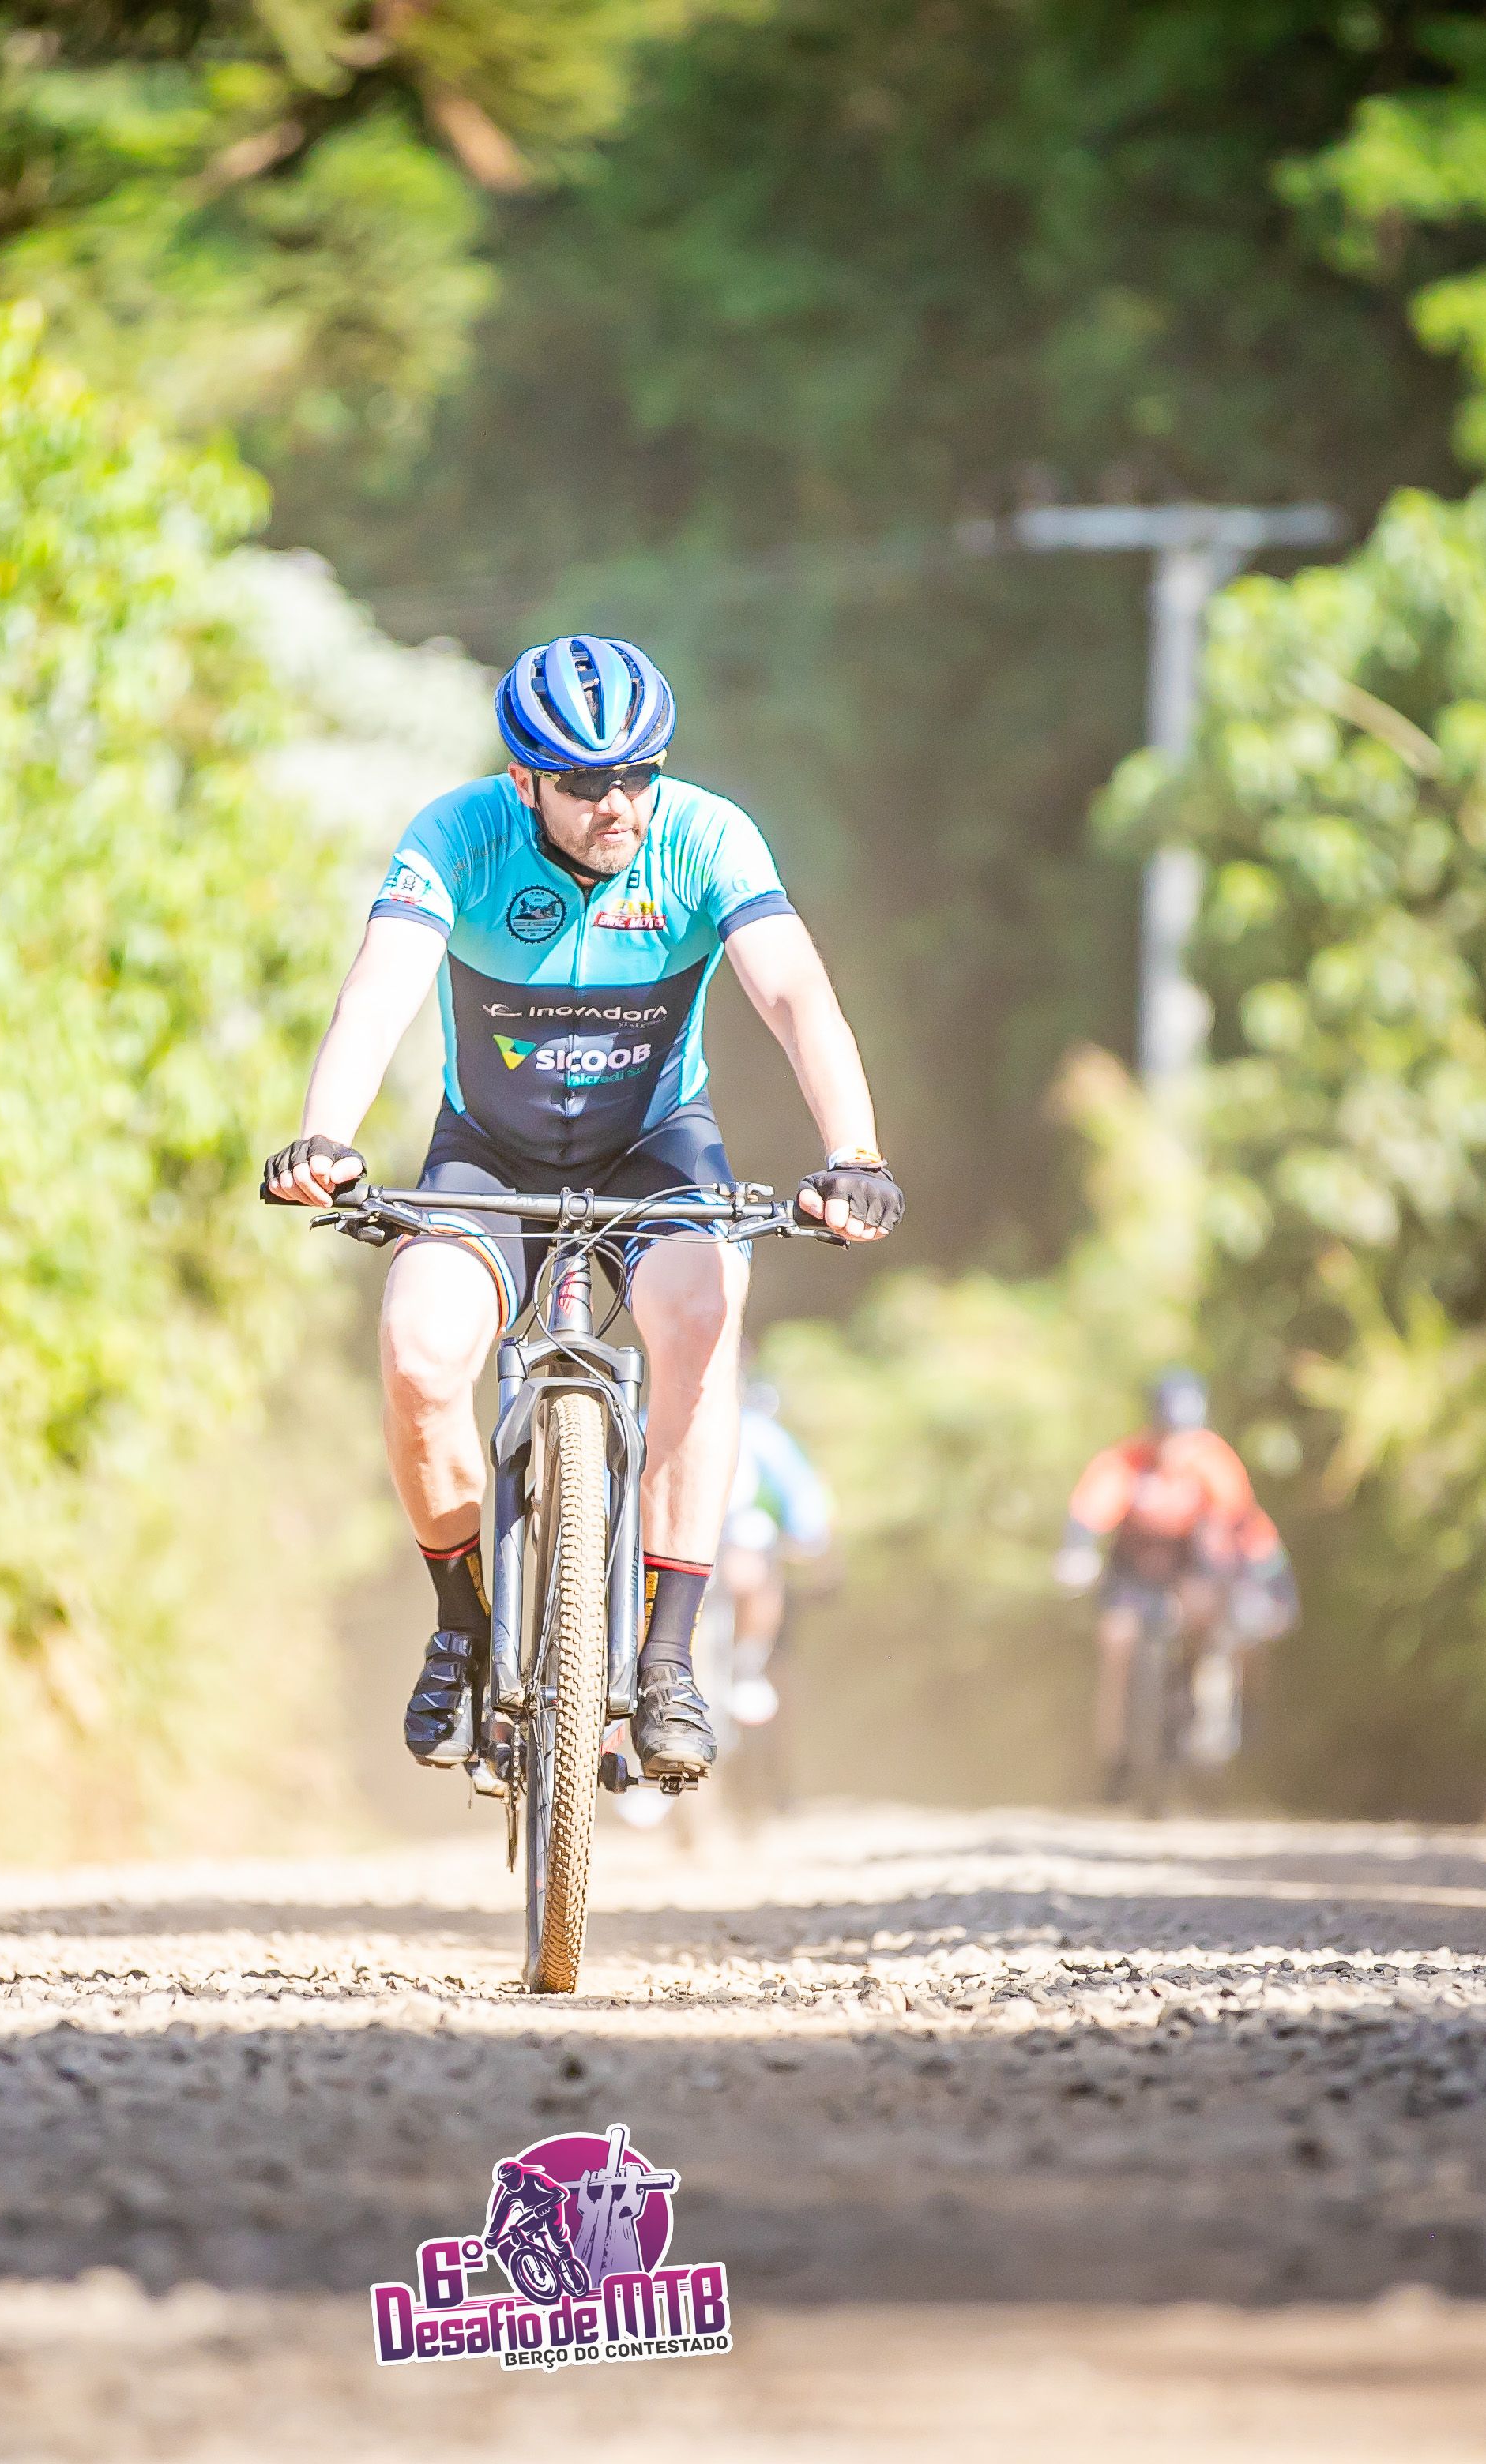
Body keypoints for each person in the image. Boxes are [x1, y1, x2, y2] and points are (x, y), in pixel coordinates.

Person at [263, 637, 901, 1782]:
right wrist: (326, 1133)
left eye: (640, 774)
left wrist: (854, 1151)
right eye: (586, 782)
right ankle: (462, 1628)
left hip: (654, 1145)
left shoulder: (705, 836)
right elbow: (382, 986)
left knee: (703, 1314)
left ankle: (667, 1663)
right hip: (490, 1153)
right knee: (417, 1352)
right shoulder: (457, 837)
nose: (620, 804)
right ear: (524, 781)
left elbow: (796, 993)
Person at [1055, 1369, 1288, 1784]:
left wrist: (1257, 1580)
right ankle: (1115, 1759)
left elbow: (1240, 1523)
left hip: (1189, 1568)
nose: (1177, 1446)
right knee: (1117, 1643)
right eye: (1168, 1432)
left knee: (1208, 1625)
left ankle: (1202, 1725)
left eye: (1186, 1434)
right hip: (1131, 1571)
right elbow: (1089, 1512)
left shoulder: (1214, 1461)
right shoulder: (1126, 1461)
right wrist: (1077, 1551)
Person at [714, 1379, 833, 1729]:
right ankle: (747, 1668)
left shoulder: (757, 1432)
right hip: (691, 1540)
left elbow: (799, 1491)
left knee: (753, 1545)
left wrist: (807, 1534)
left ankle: (746, 1666)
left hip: (725, 1539)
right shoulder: (760, 1430)